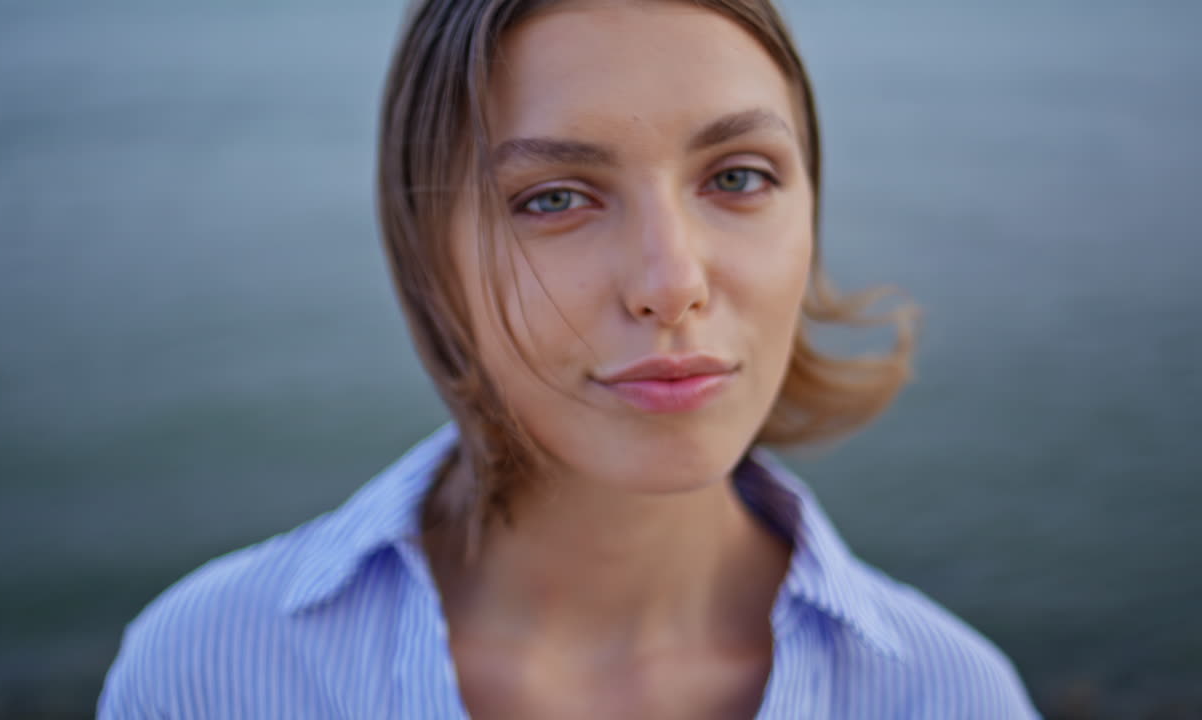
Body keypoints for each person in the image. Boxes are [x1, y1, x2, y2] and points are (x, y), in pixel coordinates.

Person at [99, 0, 1041, 717]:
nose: (671, 284)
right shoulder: (210, 668)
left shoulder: (947, 695)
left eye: (739, 177)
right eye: (554, 198)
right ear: (432, 253)